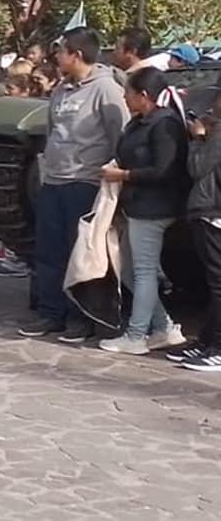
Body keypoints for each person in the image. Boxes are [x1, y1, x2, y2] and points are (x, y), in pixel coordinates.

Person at [20, 27, 129, 342]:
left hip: (84, 183)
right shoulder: (60, 90)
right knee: (49, 251)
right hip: (54, 181)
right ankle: (51, 313)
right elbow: (53, 131)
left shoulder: (106, 90)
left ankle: (81, 318)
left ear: (76, 55)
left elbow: (119, 136)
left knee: (79, 253)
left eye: (60, 51)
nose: (56, 57)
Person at [98, 69, 189, 354]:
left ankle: (136, 335)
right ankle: (163, 327)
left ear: (144, 96)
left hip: (154, 207)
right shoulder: (139, 123)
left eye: (129, 92)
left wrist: (124, 175)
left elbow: (166, 170)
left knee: (143, 271)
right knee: (128, 269)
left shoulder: (165, 125)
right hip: (137, 204)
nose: (124, 98)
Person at [177, 90, 221, 372]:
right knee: (213, 282)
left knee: (219, 283)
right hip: (209, 211)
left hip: (213, 212)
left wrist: (199, 138)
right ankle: (206, 340)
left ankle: (216, 347)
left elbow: (197, 168)